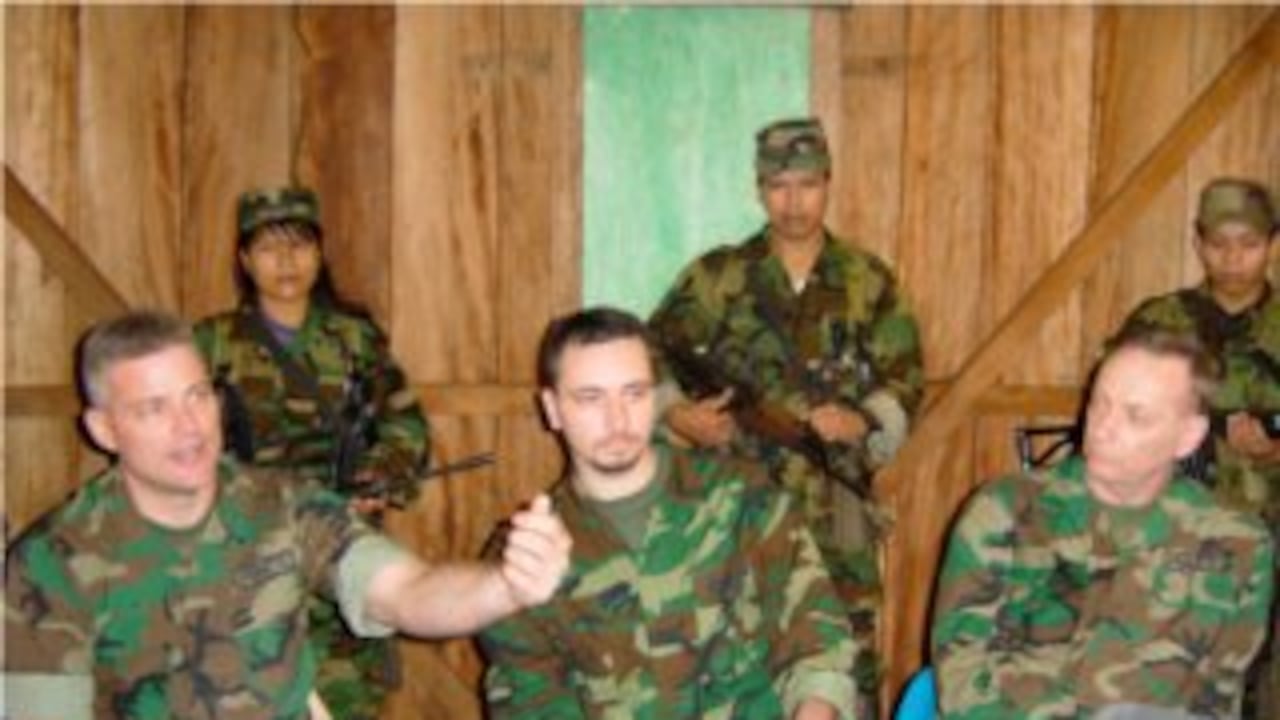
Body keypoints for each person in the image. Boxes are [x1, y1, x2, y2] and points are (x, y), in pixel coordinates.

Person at [2, 310, 571, 719]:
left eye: (198, 395)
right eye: (154, 408)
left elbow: (405, 591)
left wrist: (505, 586)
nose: (189, 426)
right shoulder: (51, 564)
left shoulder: (280, 504)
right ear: (104, 429)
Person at [648, 116, 924, 697]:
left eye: (807, 184)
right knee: (730, 647)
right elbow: (646, 354)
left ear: (828, 181)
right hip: (734, 500)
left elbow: (905, 379)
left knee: (846, 654)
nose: (793, 202)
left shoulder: (867, 281)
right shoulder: (716, 278)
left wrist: (861, 420)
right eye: (778, 186)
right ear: (759, 189)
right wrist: (676, 415)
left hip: (835, 498)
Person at [479, 307, 859, 719]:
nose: (617, 419)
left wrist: (814, 708)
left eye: (634, 393)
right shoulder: (523, 556)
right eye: (591, 398)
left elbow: (817, 638)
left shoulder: (744, 498)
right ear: (551, 408)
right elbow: (528, 699)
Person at [931, 330, 1274, 718]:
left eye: (1136, 416)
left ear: (1188, 436)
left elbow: (1217, 697)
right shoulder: (1007, 511)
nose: (1103, 427)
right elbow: (959, 674)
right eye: (1099, 403)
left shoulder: (1237, 542)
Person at [193, 186, 430, 716]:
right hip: (244, 555)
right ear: (244, 260)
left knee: (346, 699)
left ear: (320, 254)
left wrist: (379, 478)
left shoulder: (354, 339)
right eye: (268, 247)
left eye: (299, 244)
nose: (286, 260)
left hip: (340, 546)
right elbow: (178, 439)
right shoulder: (213, 343)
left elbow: (405, 423)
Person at [1114, 177, 1279, 717]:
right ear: (1197, 242)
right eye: (1219, 243)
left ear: (1273, 245)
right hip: (1171, 535)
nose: (1232, 258)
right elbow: (1112, 418)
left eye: (1248, 244)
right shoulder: (1160, 323)